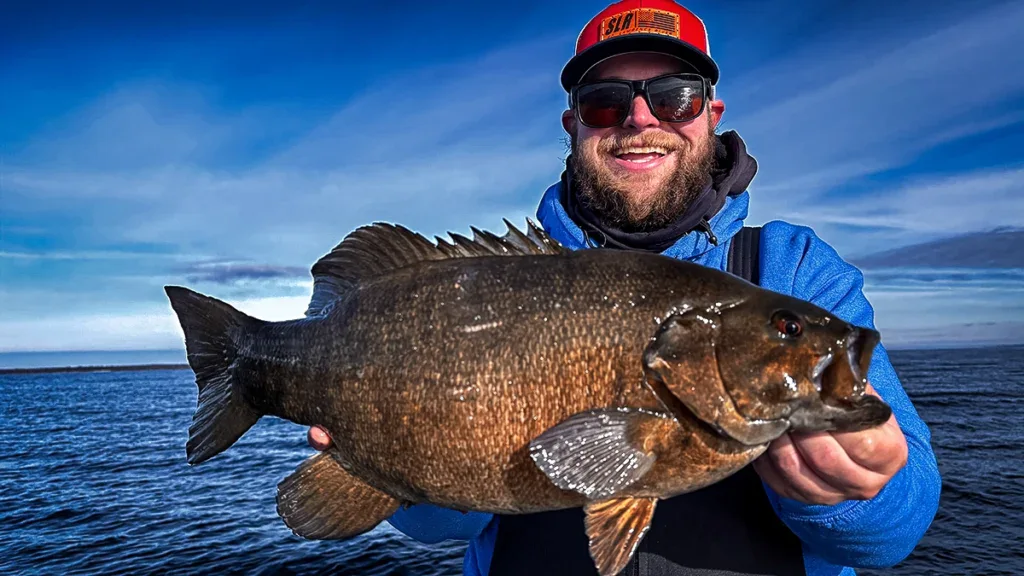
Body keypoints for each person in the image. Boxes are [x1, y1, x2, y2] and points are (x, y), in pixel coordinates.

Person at [306, 0, 942, 574]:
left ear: (711, 115)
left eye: (675, 97)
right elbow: (434, 530)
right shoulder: (495, 280)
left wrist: (856, 492)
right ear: (574, 124)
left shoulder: (790, 267)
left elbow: (894, 536)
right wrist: (404, 454)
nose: (639, 118)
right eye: (605, 102)